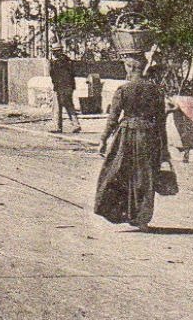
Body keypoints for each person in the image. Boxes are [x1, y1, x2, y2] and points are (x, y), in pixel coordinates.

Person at [94, 55, 170, 228]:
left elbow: (113, 119)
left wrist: (103, 140)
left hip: (126, 136)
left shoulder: (123, 90)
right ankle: (142, 219)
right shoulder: (156, 91)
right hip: (149, 136)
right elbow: (161, 122)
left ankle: (120, 212)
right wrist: (163, 147)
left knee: (118, 173)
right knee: (145, 176)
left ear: (130, 68)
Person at [49, 46, 82, 133]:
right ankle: (76, 124)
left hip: (60, 87)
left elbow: (53, 75)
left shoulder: (57, 63)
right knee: (69, 106)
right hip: (68, 87)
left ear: (58, 52)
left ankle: (57, 127)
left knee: (57, 108)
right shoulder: (69, 61)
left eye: (54, 51)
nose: (53, 53)